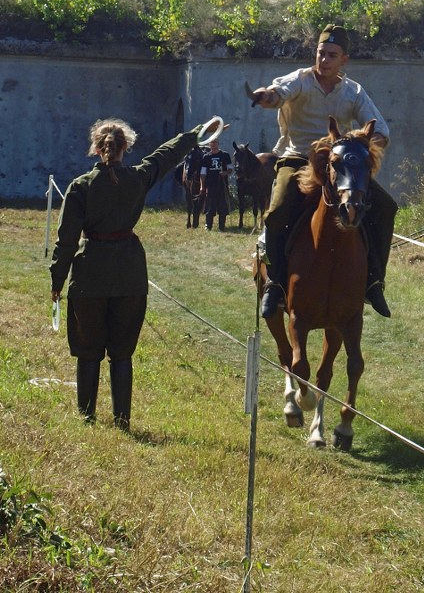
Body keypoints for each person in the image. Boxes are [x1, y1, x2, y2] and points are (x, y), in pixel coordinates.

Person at [49, 117, 220, 431]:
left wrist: (57, 281)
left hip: (89, 278)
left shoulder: (81, 187)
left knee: (88, 351)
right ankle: (122, 420)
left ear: (96, 149)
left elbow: (66, 241)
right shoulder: (139, 178)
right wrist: (195, 135)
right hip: (130, 276)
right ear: (125, 147)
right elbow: (166, 155)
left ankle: (86, 417)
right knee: (122, 352)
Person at [250, 24, 398, 319]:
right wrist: (267, 96)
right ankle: (275, 284)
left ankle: (374, 282)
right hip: (298, 159)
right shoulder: (301, 80)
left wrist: (359, 142)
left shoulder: (354, 91)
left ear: (344, 59)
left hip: (339, 164)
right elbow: (279, 92)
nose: (325, 59)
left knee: (385, 206)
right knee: (277, 211)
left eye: (332, 55)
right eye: (321, 53)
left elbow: (381, 130)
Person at [200, 139, 233, 231]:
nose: (213, 144)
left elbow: (230, 168)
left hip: (222, 185)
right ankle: (208, 225)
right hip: (211, 185)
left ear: (218, 143)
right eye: (211, 143)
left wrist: (225, 173)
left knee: (222, 206)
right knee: (210, 205)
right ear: (209, 144)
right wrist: (202, 186)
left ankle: (221, 226)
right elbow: (203, 173)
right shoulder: (206, 157)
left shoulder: (225, 155)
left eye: (215, 142)